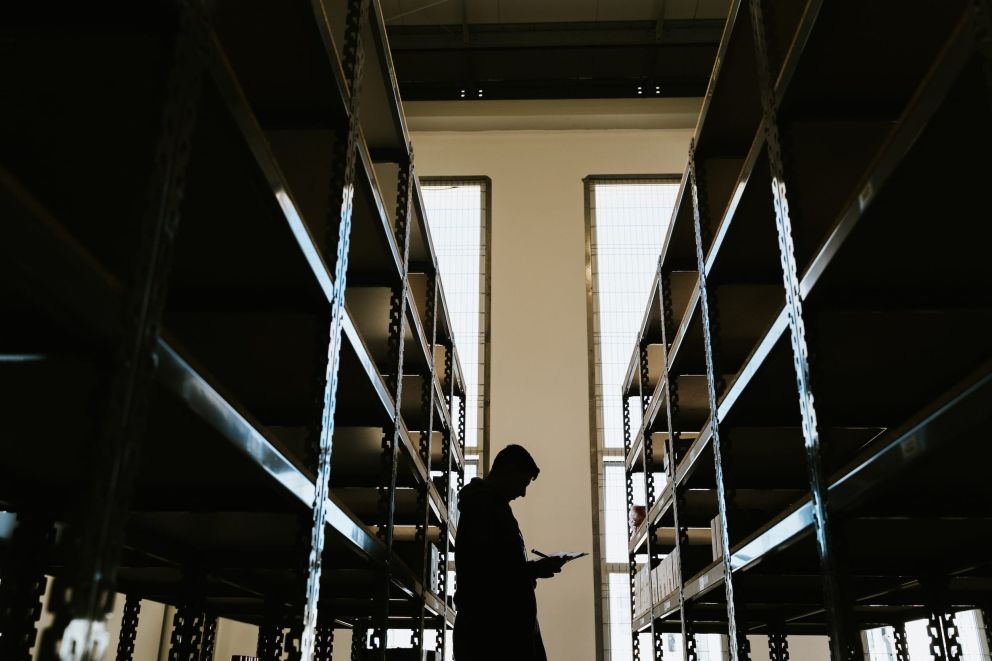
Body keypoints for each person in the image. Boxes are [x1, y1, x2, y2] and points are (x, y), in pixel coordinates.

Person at [453, 444, 566, 661]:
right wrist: (534, 569)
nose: (522, 493)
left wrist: (531, 571)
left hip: (500, 635)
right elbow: (485, 572)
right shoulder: (482, 506)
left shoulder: (491, 505)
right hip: (491, 638)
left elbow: (500, 565)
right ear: (508, 471)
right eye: (522, 483)